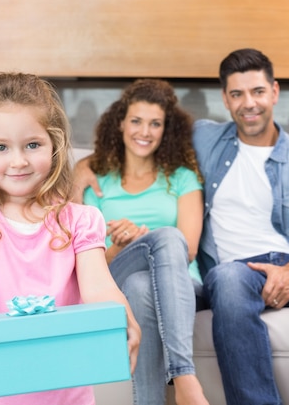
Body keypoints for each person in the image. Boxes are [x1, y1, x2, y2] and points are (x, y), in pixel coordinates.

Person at [74, 49, 289, 405]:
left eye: (258, 92)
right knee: (217, 278)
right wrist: (81, 165)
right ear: (225, 99)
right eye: (237, 94)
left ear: (275, 92)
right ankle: (184, 380)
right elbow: (81, 243)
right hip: (227, 270)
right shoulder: (207, 138)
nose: (248, 103)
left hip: (283, 263)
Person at [0, 72, 141, 405]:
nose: (19, 161)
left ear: (54, 145)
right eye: (0, 147)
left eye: (33, 144)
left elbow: (98, 285)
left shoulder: (81, 220)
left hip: (66, 394)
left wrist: (122, 315)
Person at [79, 79, 209, 405]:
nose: (145, 131)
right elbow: (90, 263)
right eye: (136, 121)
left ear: (167, 129)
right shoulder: (96, 181)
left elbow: (189, 248)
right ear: (121, 123)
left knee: (142, 283)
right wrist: (124, 245)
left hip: (180, 279)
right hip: (115, 271)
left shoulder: (182, 177)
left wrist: (143, 237)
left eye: (155, 124)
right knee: (159, 242)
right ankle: (184, 378)